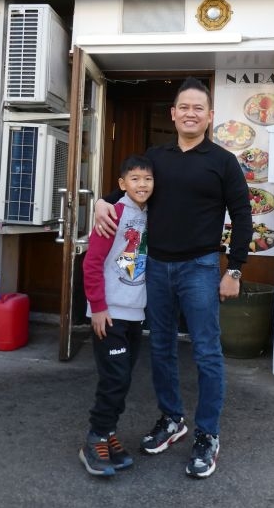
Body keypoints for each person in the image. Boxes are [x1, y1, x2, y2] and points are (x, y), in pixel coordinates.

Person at [95, 76, 253, 479]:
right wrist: (102, 201)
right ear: (173, 113)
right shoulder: (156, 156)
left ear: (210, 116)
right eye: (183, 107)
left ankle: (207, 435)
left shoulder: (222, 161)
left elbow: (243, 217)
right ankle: (171, 419)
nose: (190, 113)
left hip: (200, 267)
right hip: (157, 267)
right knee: (161, 347)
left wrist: (233, 269)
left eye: (198, 107)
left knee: (206, 352)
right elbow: (134, 189)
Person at [79, 154, 154, 477]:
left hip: (134, 312)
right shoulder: (114, 213)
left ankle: (108, 433)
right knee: (114, 378)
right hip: (108, 313)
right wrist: (97, 307)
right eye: (135, 179)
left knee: (122, 378)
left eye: (148, 179)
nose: (142, 184)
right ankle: (94, 438)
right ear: (122, 184)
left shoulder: (150, 213)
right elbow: (92, 263)